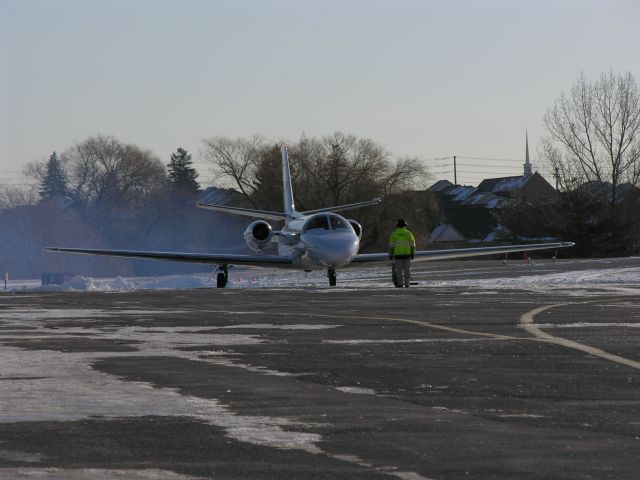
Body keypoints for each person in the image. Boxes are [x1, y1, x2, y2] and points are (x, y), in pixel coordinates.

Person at [388, 218, 416, 288]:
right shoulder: (409, 234)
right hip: (407, 255)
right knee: (407, 270)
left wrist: (391, 254)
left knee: (398, 271)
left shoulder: (393, 234)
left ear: (397, 225)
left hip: (397, 256)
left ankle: (400, 284)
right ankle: (407, 284)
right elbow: (413, 245)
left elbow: (391, 246)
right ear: (405, 225)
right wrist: (412, 253)